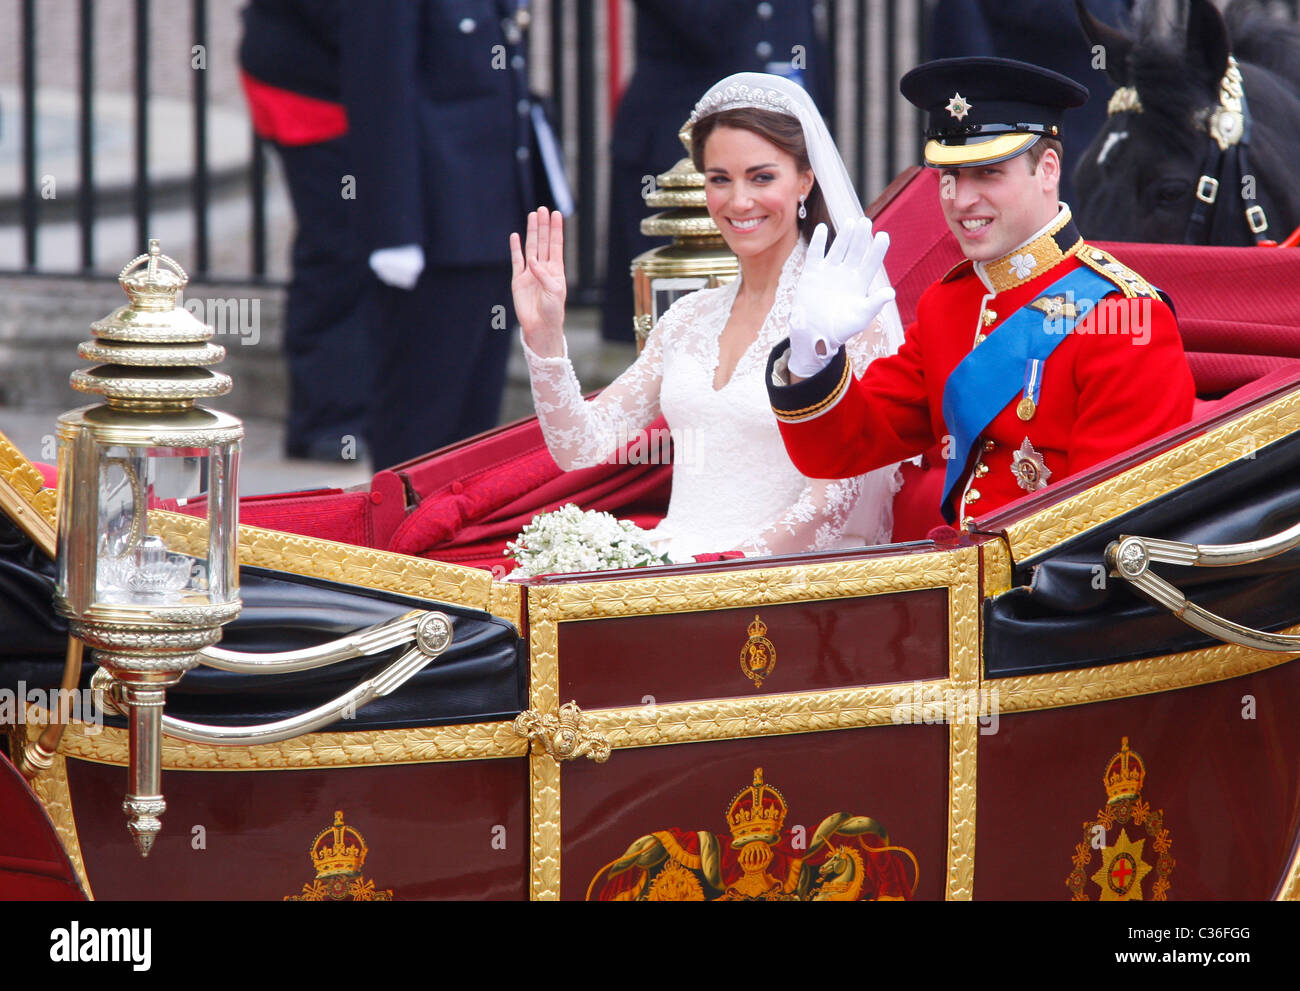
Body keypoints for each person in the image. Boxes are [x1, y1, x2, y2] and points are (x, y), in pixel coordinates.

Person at [765, 57, 1195, 527]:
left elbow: (1107, 524)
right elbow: (841, 451)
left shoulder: (1126, 316)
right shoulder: (946, 305)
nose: (961, 200)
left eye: (988, 173)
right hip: (962, 581)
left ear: (1047, 169)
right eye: (949, 177)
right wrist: (812, 361)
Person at [512, 73, 903, 562]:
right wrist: (545, 337)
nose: (739, 201)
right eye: (720, 179)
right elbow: (581, 446)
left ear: (805, 180)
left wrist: (717, 572)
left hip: (785, 584)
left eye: (762, 177)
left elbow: (838, 501)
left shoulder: (848, 316)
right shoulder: (687, 317)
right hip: (678, 569)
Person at [601, 1, 829, 345]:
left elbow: (800, 33)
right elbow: (706, 27)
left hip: (782, 148)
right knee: (674, 330)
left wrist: (815, 121)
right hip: (684, 148)